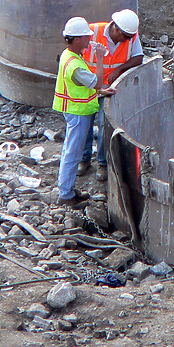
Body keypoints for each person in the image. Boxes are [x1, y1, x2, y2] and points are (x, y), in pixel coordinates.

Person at [54, 16, 115, 208]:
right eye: (87, 37)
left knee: (70, 150)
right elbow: (96, 82)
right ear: (78, 39)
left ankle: (68, 190)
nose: (90, 40)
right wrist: (99, 57)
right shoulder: (74, 64)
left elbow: (84, 85)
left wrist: (102, 91)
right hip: (78, 112)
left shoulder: (69, 55)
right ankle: (66, 194)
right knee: (73, 153)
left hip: (74, 110)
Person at [78, 8, 143, 181]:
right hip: (88, 88)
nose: (129, 40)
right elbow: (75, 54)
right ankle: (83, 159)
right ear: (116, 29)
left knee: (104, 124)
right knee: (84, 124)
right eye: (126, 37)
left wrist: (119, 69)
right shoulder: (92, 31)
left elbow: (138, 58)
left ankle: (102, 163)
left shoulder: (131, 36)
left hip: (110, 90)